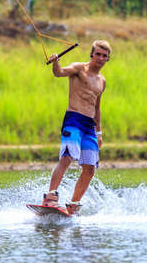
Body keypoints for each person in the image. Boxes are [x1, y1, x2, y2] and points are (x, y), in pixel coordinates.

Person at [42, 40, 111, 215]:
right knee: (67, 157)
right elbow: (59, 73)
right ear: (91, 54)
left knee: (90, 168)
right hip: (73, 119)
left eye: (105, 56)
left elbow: (97, 107)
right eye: (98, 54)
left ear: (108, 59)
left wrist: (99, 132)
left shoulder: (102, 81)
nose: (101, 58)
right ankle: (50, 196)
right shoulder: (80, 68)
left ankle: (73, 204)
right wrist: (56, 61)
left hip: (89, 126)